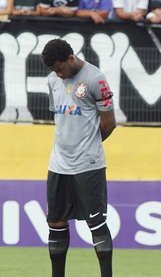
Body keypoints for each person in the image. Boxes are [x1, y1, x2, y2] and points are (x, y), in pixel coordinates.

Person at [41, 38, 117, 277]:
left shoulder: (95, 79)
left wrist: (89, 145)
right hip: (58, 165)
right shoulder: (53, 80)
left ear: (71, 58)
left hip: (88, 166)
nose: (59, 74)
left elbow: (109, 123)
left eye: (60, 68)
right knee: (56, 224)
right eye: (55, 71)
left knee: (96, 225)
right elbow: (60, 120)